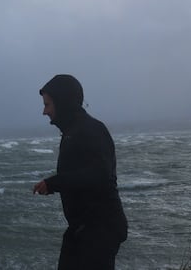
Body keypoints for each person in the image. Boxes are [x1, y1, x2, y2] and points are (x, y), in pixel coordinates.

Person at [33, 74, 127, 270]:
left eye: (48, 104)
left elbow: (100, 175)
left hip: (100, 229)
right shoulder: (73, 131)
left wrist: (54, 183)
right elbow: (83, 175)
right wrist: (54, 186)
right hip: (83, 229)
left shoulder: (90, 130)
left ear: (63, 102)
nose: (44, 111)